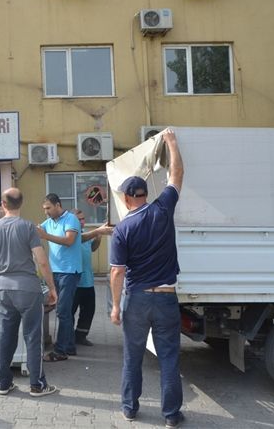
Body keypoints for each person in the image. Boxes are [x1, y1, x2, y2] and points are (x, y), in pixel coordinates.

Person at [109, 129, 185, 428]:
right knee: (169, 358)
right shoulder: (163, 208)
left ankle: (129, 409)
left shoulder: (122, 230)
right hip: (166, 297)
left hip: (137, 299)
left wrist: (116, 307)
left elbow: (116, 271)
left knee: (133, 357)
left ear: (127, 199)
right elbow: (176, 174)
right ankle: (171, 416)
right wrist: (171, 143)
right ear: (145, 195)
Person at [0, 187, 58, 397]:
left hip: (4, 289)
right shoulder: (28, 227)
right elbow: (42, 261)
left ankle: (3, 383)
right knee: (33, 337)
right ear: (22, 203)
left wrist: (4, 273)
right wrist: (52, 288)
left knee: (4, 336)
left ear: (3, 204)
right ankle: (37, 385)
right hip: (28, 289)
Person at [36, 193, 82, 361]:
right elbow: (37, 233)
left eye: (48, 208)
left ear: (58, 205)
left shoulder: (71, 219)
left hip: (69, 271)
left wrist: (44, 235)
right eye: (44, 209)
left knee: (63, 311)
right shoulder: (50, 222)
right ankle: (69, 346)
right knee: (64, 311)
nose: (46, 212)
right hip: (55, 271)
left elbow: (69, 241)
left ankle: (61, 351)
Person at [69, 209, 113, 346]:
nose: (82, 222)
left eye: (83, 219)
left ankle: (80, 336)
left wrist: (99, 237)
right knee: (70, 312)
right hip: (74, 282)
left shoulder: (85, 234)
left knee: (88, 310)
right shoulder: (72, 235)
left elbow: (92, 248)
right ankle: (68, 337)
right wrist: (98, 231)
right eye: (79, 219)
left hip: (88, 281)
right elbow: (81, 240)